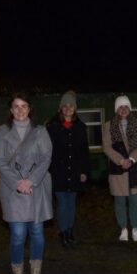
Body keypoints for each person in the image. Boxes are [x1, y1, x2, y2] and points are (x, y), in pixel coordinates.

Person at [0, 93, 53, 274]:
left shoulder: (40, 131)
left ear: (29, 109)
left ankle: (36, 272)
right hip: (13, 190)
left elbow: (46, 158)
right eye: (16, 106)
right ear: (11, 110)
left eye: (24, 106)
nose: (20, 110)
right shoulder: (1, 132)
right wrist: (18, 183)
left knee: (37, 234)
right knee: (18, 234)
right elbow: (0, 162)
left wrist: (31, 180)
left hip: (36, 188)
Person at [46, 90, 91, 248]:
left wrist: (84, 171)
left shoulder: (80, 126)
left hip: (75, 171)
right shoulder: (52, 126)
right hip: (58, 172)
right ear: (60, 108)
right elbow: (47, 151)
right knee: (62, 203)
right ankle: (63, 232)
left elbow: (84, 151)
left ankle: (70, 231)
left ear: (75, 108)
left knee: (71, 203)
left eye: (71, 105)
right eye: (65, 105)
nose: (68, 108)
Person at [102, 95, 137, 242]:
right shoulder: (108, 126)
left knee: (135, 200)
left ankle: (135, 228)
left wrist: (132, 159)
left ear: (130, 108)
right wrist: (121, 160)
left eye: (125, 107)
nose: (123, 109)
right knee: (119, 201)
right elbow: (106, 147)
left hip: (135, 167)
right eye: (120, 107)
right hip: (117, 168)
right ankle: (123, 228)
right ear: (116, 109)